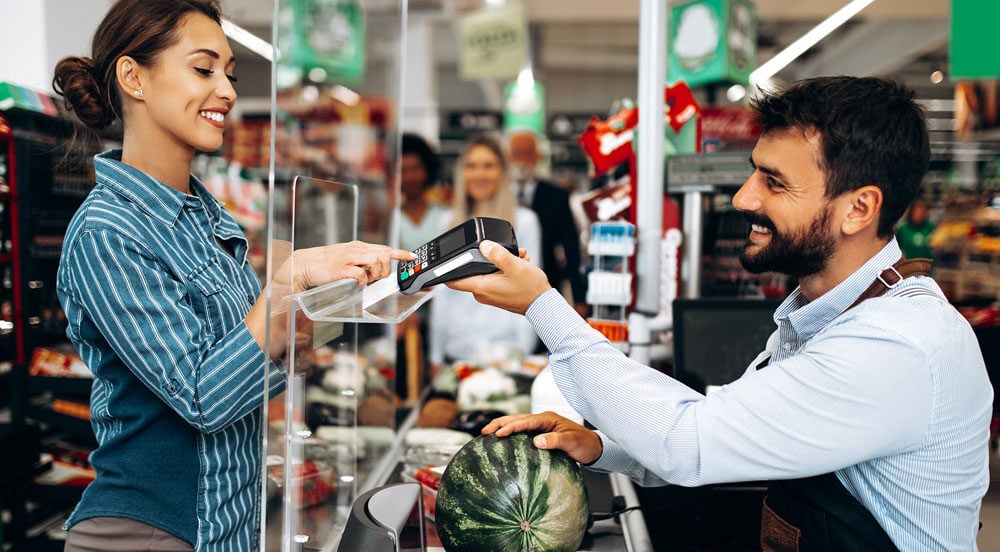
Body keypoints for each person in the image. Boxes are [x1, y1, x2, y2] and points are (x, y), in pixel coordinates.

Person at [449, 77, 991, 551]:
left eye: (774, 182)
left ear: (858, 209)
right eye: (755, 172)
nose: (742, 198)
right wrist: (601, 449)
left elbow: (691, 441)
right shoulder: (824, 313)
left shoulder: (898, 346)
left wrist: (543, 307)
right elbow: (728, 433)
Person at [51, 1, 413, 550]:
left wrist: (325, 309)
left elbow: (252, 366)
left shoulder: (209, 217)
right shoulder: (108, 231)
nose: (227, 90)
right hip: (150, 534)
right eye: (204, 69)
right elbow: (202, 398)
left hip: (228, 526)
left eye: (230, 73)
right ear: (134, 78)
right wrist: (287, 288)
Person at [429, 133, 541, 372]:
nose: (479, 174)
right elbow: (441, 295)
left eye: (488, 166)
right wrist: (435, 356)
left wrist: (523, 353)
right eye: (471, 166)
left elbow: (532, 290)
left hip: (507, 352)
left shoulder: (525, 222)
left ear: (502, 171)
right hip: (457, 350)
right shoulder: (448, 222)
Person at [507, 130, 588, 316]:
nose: (521, 160)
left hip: (546, 283)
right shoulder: (494, 197)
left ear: (538, 157)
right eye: (516, 153)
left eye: (527, 153)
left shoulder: (556, 196)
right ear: (507, 157)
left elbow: (571, 248)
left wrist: (579, 297)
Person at [396, 132, 451, 251]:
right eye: (402, 170)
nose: (409, 177)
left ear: (427, 170)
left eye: (415, 168)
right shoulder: (392, 219)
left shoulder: (447, 216)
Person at [896, 197, 936, 261]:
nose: (919, 213)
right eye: (917, 210)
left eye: (922, 210)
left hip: (926, 268)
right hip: (908, 267)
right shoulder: (902, 229)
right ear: (912, 211)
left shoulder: (931, 228)